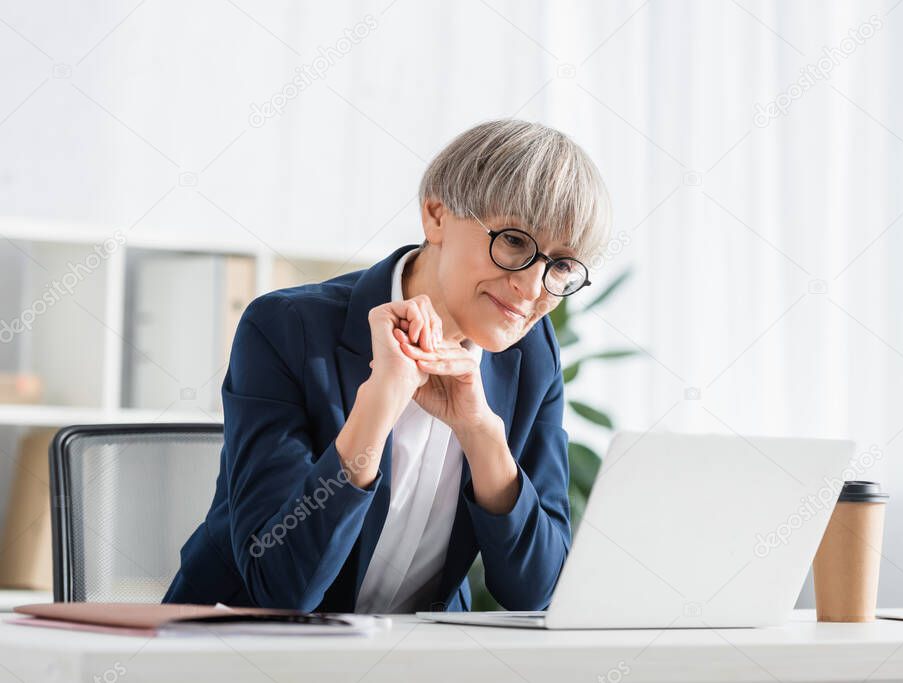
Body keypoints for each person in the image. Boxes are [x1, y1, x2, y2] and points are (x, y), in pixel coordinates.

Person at [162, 119, 612, 613]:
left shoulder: (531, 355)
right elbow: (280, 585)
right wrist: (378, 407)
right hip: (237, 650)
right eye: (514, 243)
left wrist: (482, 433)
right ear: (436, 216)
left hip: (410, 658)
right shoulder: (287, 329)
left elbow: (536, 591)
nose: (531, 288)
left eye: (562, 266)